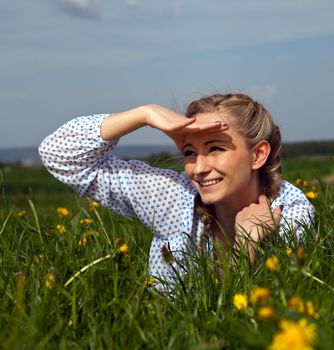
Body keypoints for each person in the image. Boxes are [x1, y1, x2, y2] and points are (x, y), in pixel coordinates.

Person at [39, 93, 315, 289]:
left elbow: (239, 319)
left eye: (215, 148)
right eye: (189, 152)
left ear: (258, 156)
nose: (198, 168)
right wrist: (143, 115)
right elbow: (59, 156)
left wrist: (247, 243)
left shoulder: (290, 219)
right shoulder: (175, 197)